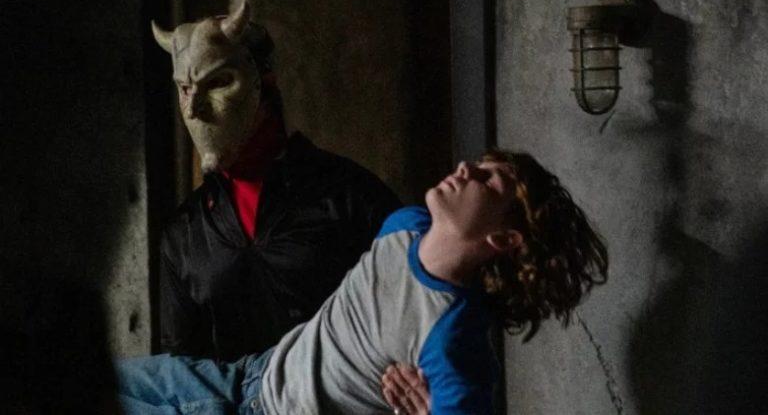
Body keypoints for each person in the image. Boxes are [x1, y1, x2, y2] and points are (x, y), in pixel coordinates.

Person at [117, 150, 609, 414]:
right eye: (478, 162)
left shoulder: (452, 337)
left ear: (503, 238)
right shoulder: (406, 225)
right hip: (245, 375)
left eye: (488, 179)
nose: (466, 168)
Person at [150, 2, 403, 362]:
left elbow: (411, 312)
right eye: (185, 88)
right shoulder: (185, 234)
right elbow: (180, 371)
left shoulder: (351, 197)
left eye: (218, 82)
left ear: (264, 83)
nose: (194, 109)